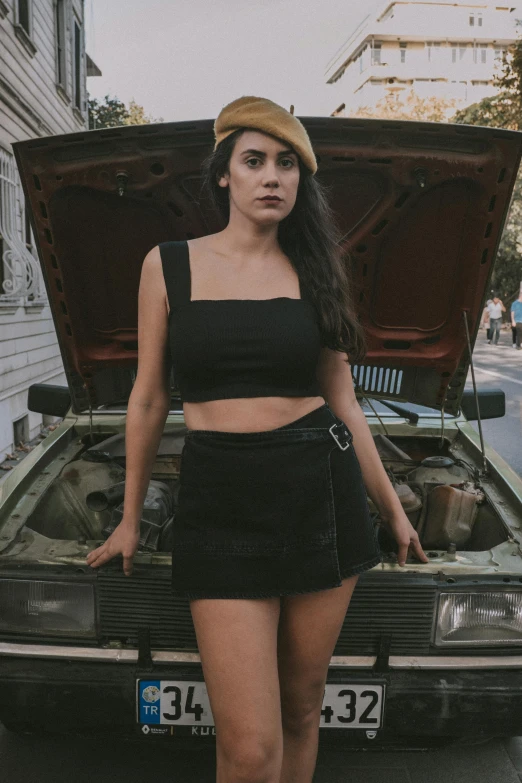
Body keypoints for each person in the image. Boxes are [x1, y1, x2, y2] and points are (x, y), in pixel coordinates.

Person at [86, 96, 428, 783]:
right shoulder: (170, 265)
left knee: (302, 712)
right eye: (254, 161)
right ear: (224, 177)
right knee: (248, 748)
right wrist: (129, 518)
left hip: (319, 495)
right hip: (220, 498)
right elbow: (149, 397)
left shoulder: (317, 268)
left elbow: (343, 401)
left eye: (286, 164)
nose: (271, 176)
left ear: (301, 182)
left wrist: (391, 511)